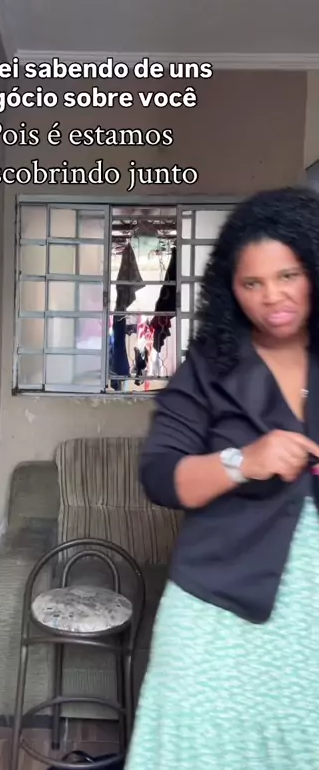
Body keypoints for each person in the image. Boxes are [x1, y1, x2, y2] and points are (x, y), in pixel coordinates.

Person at [125, 186, 319, 770]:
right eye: (251, 283)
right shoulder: (211, 367)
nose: (272, 297)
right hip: (217, 605)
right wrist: (243, 461)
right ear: (229, 289)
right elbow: (161, 476)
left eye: (288, 276)